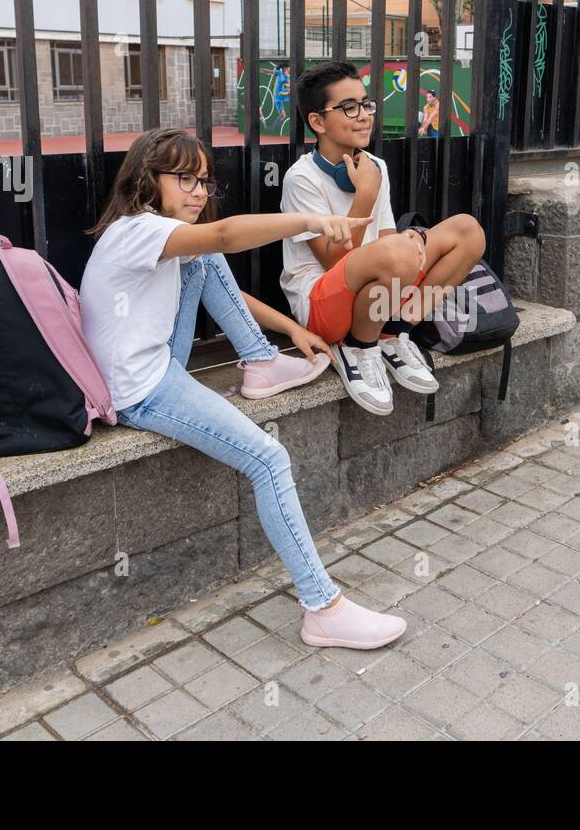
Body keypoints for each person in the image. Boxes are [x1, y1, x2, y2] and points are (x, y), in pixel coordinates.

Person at [79, 126, 407, 649]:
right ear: (147, 178)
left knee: (205, 257)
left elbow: (218, 263)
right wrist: (315, 221)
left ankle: (259, 361)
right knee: (269, 459)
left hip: (160, 359)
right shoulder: (137, 229)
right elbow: (228, 234)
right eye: (183, 177)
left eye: (204, 181)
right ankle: (322, 608)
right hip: (141, 388)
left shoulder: (159, 232)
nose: (195, 191)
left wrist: (292, 329)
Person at [279, 61, 486, 415]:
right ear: (317, 122)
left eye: (366, 104)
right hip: (322, 304)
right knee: (397, 253)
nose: (364, 116)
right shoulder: (302, 179)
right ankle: (359, 347)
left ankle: (395, 331)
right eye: (349, 107)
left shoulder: (375, 165)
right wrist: (364, 195)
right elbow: (333, 260)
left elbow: (388, 235)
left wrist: (408, 245)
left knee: (467, 231)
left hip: (379, 290)